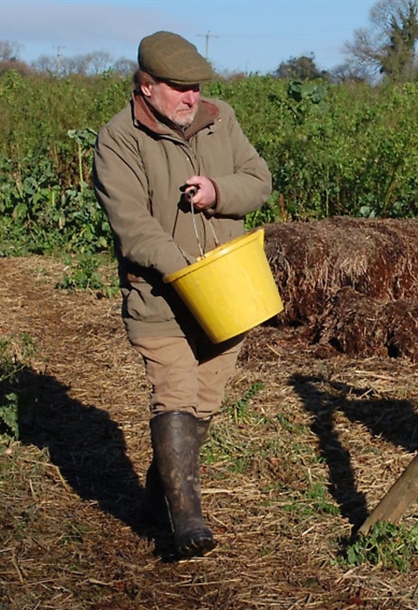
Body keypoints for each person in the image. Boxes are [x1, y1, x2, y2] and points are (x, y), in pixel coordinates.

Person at [92, 31, 271, 558]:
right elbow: (134, 229)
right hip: (160, 301)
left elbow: (258, 181)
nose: (192, 98)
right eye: (179, 88)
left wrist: (219, 191)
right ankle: (187, 519)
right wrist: (188, 275)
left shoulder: (222, 119)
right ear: (146, 87)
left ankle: (160, 496)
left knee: (206, 403)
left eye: (197, 87)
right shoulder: (117, 139)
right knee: (174, 395)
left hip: (229, 294)